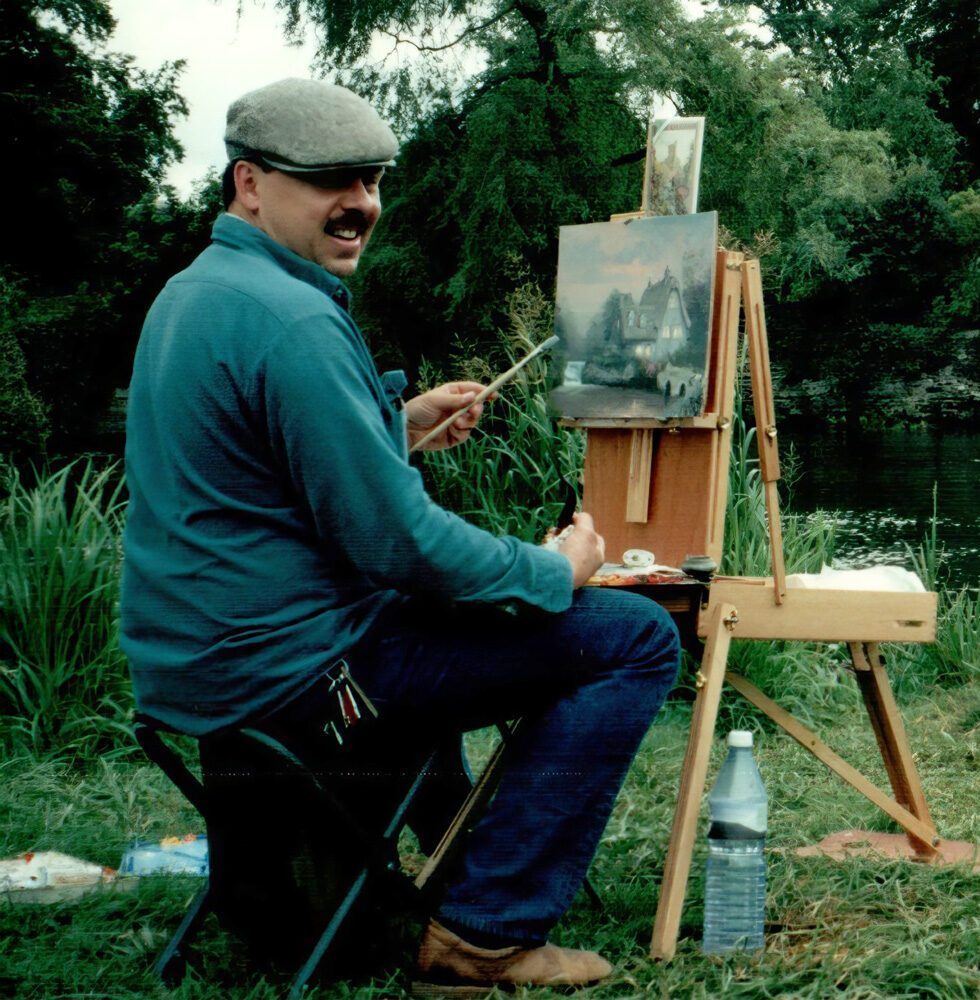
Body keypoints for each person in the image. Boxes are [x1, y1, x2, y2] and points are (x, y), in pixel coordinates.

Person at [120, 77, 680, 993]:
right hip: (295, 679)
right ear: (250, 183)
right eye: (332, 181)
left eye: (372, 180)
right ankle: (480, 932)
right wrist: (554, 569)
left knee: (432, 622)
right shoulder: (293, 317)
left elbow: (257, 465)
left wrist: (394, 420)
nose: (361, 205)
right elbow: (397, 544)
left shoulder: (199, 291)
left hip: (199, 667)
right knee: (632, 640)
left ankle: (448, 863)